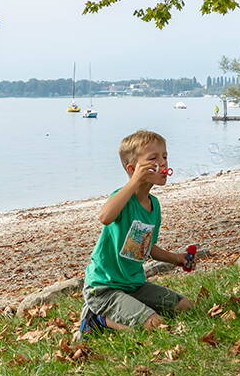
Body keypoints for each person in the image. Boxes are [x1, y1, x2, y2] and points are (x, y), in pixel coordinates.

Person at [77, 129, 197, 338]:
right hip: (104, 288)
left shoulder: (154, 205)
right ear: (132, 169)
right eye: (153, 158)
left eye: (165, 156)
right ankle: (96, 320)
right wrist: (133, 182)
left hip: (134, 285)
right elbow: (105, 216)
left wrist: (177, 259)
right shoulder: (123, 198)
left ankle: (130, 310)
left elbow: (145, 247)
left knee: (185, 306)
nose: (163, 163)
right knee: (154, 325)